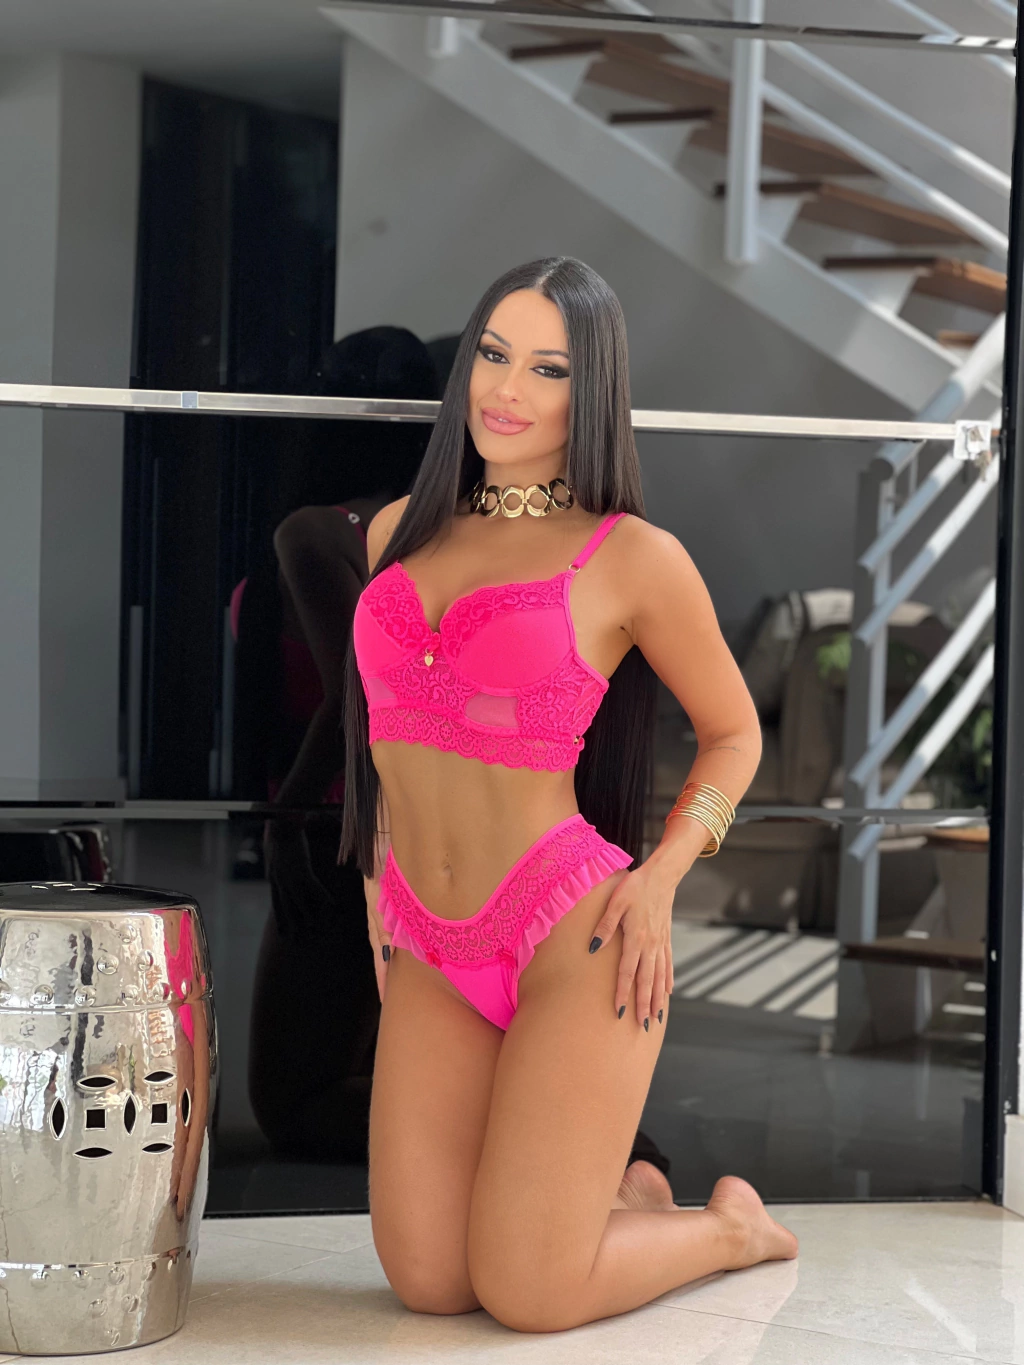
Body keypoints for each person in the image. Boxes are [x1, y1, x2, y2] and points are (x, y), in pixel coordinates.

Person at [342, 257, 798, 1333]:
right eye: (493, 354)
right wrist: (377, 878)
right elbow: (384, 733)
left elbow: (734, 734)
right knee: (429, 1281)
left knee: (530, 1292)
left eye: (547, 369)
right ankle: (626, 1201)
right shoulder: (396, 532)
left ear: (590, 393)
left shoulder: (630, 556)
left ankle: (733, 1230)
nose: (507, 390)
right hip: (426, 931)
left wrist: (661, 880)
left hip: (574, 937)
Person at [234, 326, 439, 1161]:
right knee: (368, 1062)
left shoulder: (315, 531)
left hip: (339, 826)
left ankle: (543, 1137)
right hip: (415, 818)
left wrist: (286, 819)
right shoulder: (433, 532)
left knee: (295, 1102)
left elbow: (356, 689)